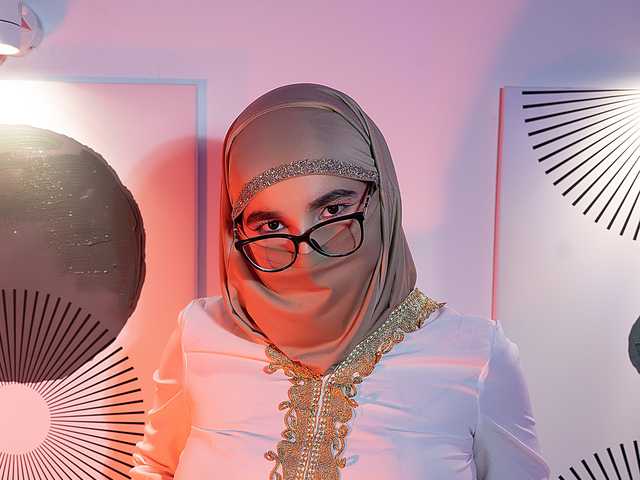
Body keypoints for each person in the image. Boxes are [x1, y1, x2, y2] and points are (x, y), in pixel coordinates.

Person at [129, 82, 551, 479]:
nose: (306, 253)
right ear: (236, 230)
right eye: (272, 225)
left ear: (382, 200)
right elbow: (155, 468)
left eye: (332, 211)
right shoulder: (201, 333)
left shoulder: (474, 355)